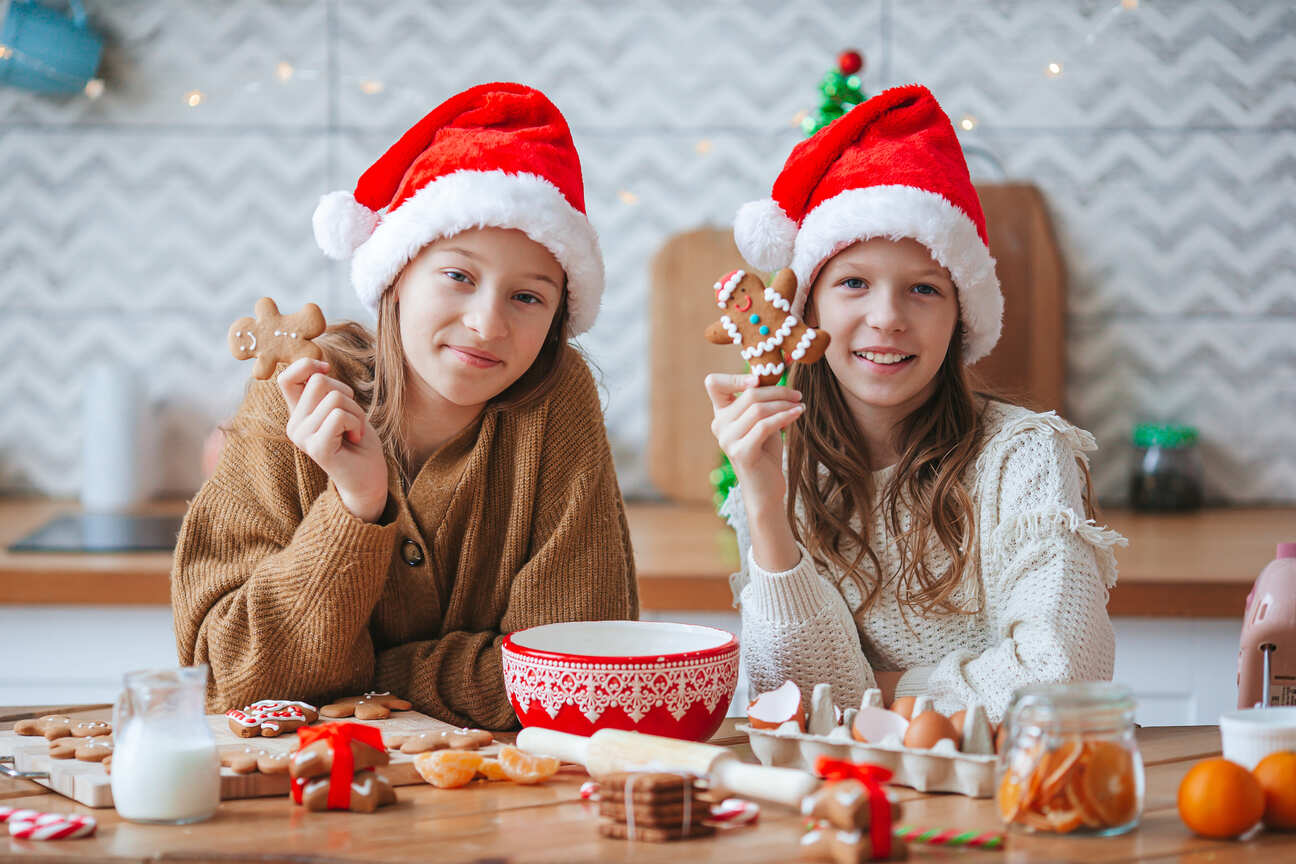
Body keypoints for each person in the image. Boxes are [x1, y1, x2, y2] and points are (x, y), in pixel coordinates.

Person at [173, 82, 638, 729]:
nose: (486, 324)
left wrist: (370, 675)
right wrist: (354, 509)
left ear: (559, 314)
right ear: (396, 276)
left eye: (527, 297)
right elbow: (226, 678)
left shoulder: (556, 401)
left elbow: (579, 675)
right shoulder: (298, 395)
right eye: (459, 276)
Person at [709, 84, 1124, 722]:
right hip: (845, 803)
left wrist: (880, 690)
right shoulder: (776, 473)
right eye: (853, 283)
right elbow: (784, 703)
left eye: (923, 289)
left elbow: (1063, 674)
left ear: (961, 316)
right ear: (809, 309)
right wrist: (765, 504)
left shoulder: (1024, 459)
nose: (887, 318)